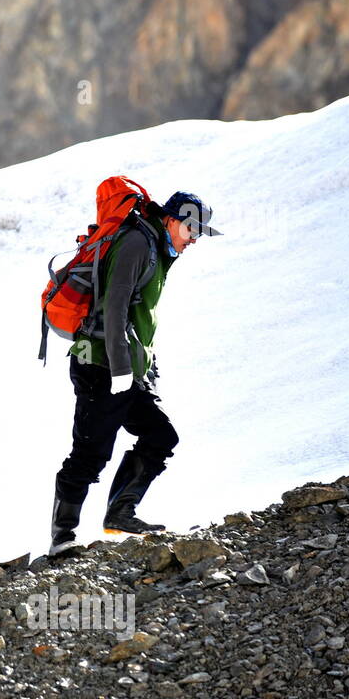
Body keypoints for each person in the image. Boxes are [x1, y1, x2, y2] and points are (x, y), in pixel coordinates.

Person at [50, 192, 221, 556]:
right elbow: (114, 308)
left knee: (161, 436)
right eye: (192, 230)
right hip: (101, 366)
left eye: (199, 234)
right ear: (172, 220)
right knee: (90, 454)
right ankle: (62, 538)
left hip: (126, 369)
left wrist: (144, 369)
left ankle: (120, 512)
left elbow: (139, 315)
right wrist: (124, 372)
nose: (194, 240)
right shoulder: (136, 243)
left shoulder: (157, 248)